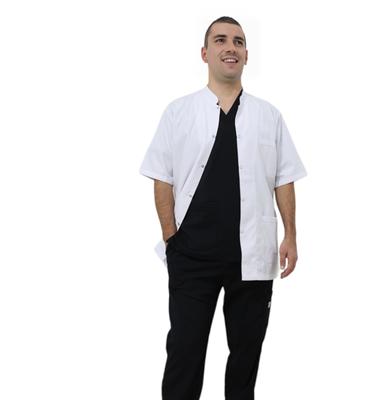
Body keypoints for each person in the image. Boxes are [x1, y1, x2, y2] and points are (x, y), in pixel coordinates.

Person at [139, 16, 308, 400]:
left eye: (238, 41)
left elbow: (284, 178)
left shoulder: (269, 116)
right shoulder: (178, 112)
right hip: (191, 256)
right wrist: (171, 239)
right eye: (220, 40)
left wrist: (291, 236)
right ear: (205, 53)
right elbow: (161, 177)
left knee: (246, 360)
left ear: (247, 55)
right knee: (184, 354)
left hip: (252, 256)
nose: (230, 47)